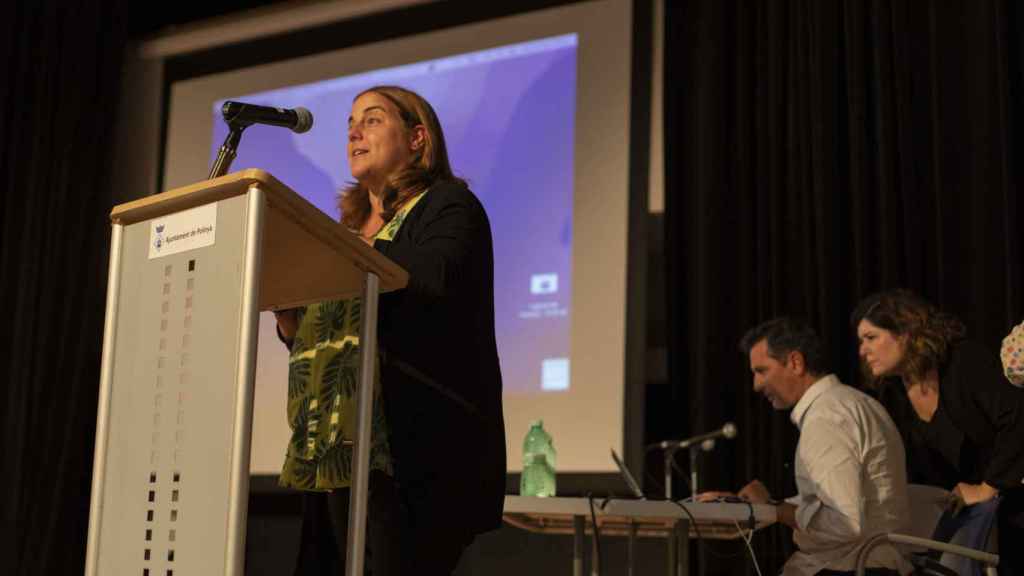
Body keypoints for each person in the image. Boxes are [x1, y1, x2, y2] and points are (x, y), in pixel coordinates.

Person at [274, 85, 506, 576]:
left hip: (414, 456)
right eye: (351, 124)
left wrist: (335, 258)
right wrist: (287, 313)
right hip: (333, 450)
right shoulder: (345, 234)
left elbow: (432, 280)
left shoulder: (448, 207)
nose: (355, 131)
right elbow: (322, 337)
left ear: (418, 138)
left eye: (373, 119)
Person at [700, 317, 911, 576]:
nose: (756, 385)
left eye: (762, 371)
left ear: (795, 363)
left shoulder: (827, 416)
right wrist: (766, 505)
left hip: (849, 568)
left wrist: (775, 511)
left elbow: (844, 523)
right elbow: (838, 504)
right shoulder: (852, 402)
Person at [852, 289, 1024, 574]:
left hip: (1013, 502)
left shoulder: (964, 360)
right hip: (973, 521)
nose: (862, 350)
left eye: (871, 337)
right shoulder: (893, 393)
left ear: (906, 332)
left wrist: (988, 486)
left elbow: (1018, 417)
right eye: (860, 341)